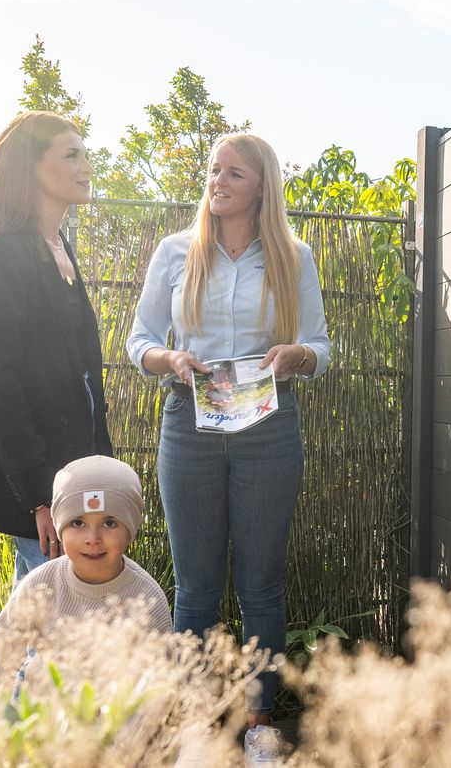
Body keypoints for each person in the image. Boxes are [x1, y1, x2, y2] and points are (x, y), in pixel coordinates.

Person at [125, 132, 331, 759]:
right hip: (189, 424)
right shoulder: (175, 252)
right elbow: (138, 341)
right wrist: (170, 359)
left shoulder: (293, 257)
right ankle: (195, 724)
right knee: (195, 586)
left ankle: (259, 723)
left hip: (268, 426)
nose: (217, 181)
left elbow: (321, 347)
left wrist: (297, 355)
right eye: (214, 170)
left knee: (261, 585)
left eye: (234, 173)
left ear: (262, 186)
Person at [0, 111, 114, 584]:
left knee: (39, 617)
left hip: (73, 474)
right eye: (71, 155)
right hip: (44, 486)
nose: (86, 166)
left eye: (85, 154)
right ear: (29, 167)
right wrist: (39, 496)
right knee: (60, 617)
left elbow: (80, 377)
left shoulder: (56, 247)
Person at [0, 454, 173, 692]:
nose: (93, 539)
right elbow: (2, 651)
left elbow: (161, 685)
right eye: (78, 523)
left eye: (109, 523)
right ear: (59, 528)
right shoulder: (41, 583)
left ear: (130, 528)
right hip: (39, 707)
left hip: (112, 711)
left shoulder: (147, 598)